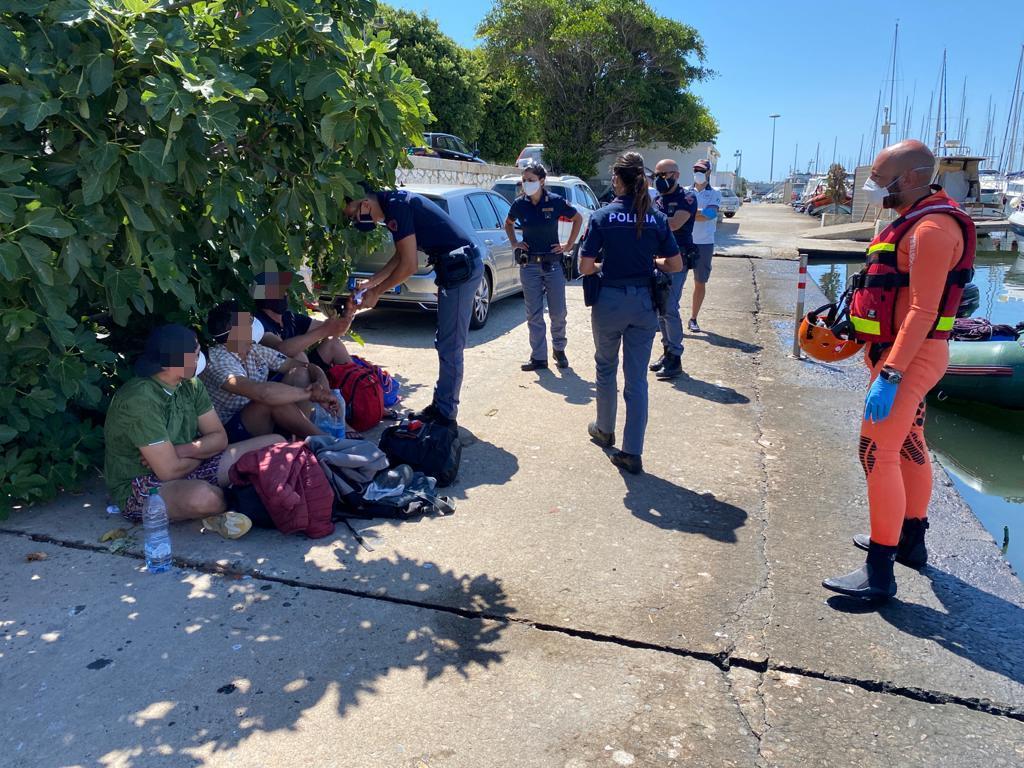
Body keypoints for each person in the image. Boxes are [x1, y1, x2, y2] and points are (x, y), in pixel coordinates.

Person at [823, 139, 975, 602]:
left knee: (875, 451)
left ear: (911, 177)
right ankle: (911, 542)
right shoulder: (912, 220)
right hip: (897, 354)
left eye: (882, 178)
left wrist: (890, 375)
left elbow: (924, 310)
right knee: (909, 444)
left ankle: (879, 572)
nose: (876, 188)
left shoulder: (932, 229)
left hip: (908, 359)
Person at [104, 324, 281, 534]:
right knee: (205, 499)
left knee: (274, 443)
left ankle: (239, 494)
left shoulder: (191, 384)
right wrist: (200, 451)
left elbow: (219, 438)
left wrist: (181, 450)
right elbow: (169, 471)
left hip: (186, 462)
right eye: (195, 354)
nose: (200, 358)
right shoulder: (140, 400)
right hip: (141, 484)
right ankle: (239, 496)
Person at [343, 187, 484, 428]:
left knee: (450, 344)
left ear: (365, 204)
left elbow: (409, 265)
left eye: (353, 214)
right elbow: (401, 256)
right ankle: (441, 405)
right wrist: (372, 282)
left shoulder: (397, 206)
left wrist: (377, 293)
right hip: (453, 267)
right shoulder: (392, 206)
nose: (355, 220)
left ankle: (445, 415)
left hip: (460, 268)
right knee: (446, 341)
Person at [579, 152, 683, 474]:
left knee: (605, 367)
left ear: (619, 181)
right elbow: (676, 265)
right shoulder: (656, 218)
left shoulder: (602, 217)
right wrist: (649, 262)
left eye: (613, 178)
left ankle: (605, 429)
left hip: (609, 300)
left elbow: (585, 267)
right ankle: (632, 452)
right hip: (644, 305)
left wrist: (604, 265)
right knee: (636, 379)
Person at [200, 300, 346, 442]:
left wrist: (321, 383)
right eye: (249, 320)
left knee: (299, 373)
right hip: (228, 431)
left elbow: (304, 366)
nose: (254, 323)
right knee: (270, 400)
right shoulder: (218, 360)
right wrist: (311, 394)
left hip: (256, 416)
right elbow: (263, 394)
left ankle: (303, 438)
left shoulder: (253, 349)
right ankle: (326, 441)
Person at [504, 163, 583, 371]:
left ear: (541, 181)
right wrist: (515, 243)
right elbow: (508, 223)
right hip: (529, 265)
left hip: (553, 264)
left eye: (530, 180)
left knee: (558, 312)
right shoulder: (520, 204)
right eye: (524, 180)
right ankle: (539, 357)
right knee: (534, 314)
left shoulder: (555, 202)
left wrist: (569, 245)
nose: (526, 184)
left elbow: (578, 218)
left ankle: (559, 349)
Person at [649, 159, 698, 379]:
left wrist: (648, 219)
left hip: (678, 259)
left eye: (663, 175)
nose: (659, 179)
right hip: (659, 258)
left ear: (676, 175)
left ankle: (676, 357)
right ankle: (667, 351)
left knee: (670, 307)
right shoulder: (659, 199)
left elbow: (674, 224)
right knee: (661, 308)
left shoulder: (687, 197)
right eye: (656, 175)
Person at [253, 268, 353, 370]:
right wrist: (324, 331)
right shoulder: (258, 323)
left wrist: (349, 312)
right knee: (298, 356)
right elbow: (281, 350)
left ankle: (360, 381)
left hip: (306, 369)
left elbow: (336, 329)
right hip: (281, 377)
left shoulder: (289, 318)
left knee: (333, 343)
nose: (286, 294)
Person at [688, 158, 721, 333]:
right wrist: (699, 213)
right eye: (695, 170)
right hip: (684, 241)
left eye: (701, 170)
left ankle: (693, 318)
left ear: (708, 172)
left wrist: (688, 212)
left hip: (704, 244)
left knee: (700, 282)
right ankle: (666, 316)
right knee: (672, 281)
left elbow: (710, 214)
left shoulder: (715, 193)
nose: (698, 173)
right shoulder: (685, 191)